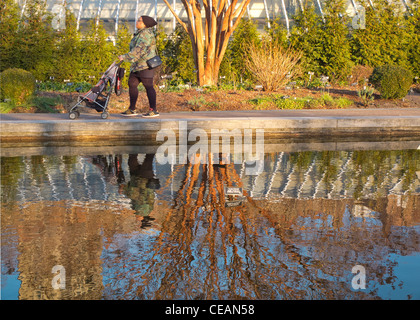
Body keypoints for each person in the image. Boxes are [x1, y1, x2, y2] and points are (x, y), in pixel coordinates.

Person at [118, 16, 159, 117]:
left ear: (145, 24)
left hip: (145, 65)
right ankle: (132, 109)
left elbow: (138, 50)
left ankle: (153, 110)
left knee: (148, 86)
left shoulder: (145, 34)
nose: (137, 22)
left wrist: (124, 57)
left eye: (139, 21)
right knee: (132, 84)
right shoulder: (140, 33)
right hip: (137, 65)